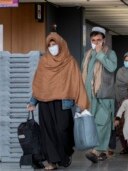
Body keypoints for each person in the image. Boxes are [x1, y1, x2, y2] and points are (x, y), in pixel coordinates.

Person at [27, 32, 89, 170]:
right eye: (49, 45)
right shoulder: (44, 61)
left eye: (54, 44)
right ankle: (51, 161)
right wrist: (33, 102)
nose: (52, 47)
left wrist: (82, 103)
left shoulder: (70, 61)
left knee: (62, 130)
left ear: (60, 44)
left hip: (63, 102)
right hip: (45, 102)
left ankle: (66, 153)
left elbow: (77, 82)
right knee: (47, 132)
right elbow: (39, 84)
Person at [81, 26, 117, 163]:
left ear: (104, 40)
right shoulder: (87, 54)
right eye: (93, 40)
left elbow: (112, 67)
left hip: (104, 95)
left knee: (103, 123)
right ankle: (99, 151)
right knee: (93, 124)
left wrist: (100, 54)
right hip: (90, 96)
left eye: (99, 40)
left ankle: (97, 150)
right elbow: (83, 74)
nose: (96, 43)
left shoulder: (110, 53)